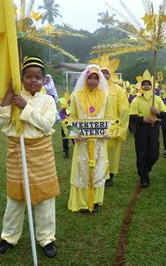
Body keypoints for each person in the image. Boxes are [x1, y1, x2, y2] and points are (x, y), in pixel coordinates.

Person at [0, 56, 59, 258]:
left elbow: (47, 124)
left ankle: (46, 238)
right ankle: (9, 237)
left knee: (45, 198)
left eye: (37, 77)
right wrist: (11, 94)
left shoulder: (48, 100)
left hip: (41, 153)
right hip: (16, 152)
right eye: (28, 76)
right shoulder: (13, 96)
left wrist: (25, 107)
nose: (32, 80)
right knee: (15, 198)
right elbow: (0, 118)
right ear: (21, 78)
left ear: (43, 80)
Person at [68, 65, 110, 214]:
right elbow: (71, 117)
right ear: (85, 79)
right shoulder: (76, 96)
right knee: (82, 168)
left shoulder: (105, 96)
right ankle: (83, 202)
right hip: (82, 141)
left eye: (96, 78)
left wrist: (108, 132)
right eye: (90, 78)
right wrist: (75, 133)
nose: (92, 81)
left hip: (99, 141)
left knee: (98, 167)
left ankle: (96, 201)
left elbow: (110, 118)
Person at [130, 70, 166, 188]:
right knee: (141, 152)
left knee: (153, 153)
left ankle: (146, 169)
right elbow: (132, 117)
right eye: (144, 84)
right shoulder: (136, 100)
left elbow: (165, 115)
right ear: (140, 86)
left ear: (152, 85)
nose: (146, 86)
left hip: (154, 128)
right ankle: (143, 176)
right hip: (141, 129)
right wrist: (144, 119)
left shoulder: (157, 99)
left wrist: (157, 112)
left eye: (148, 84)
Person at [96, 56, 130, 187]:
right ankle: (99, 173)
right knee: (98, 151)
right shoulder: (94, 87)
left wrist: (121, 129)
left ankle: (110, 175)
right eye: (102, 72)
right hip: (97, 126)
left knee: (112, 153)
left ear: (111, 74)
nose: (104, 75)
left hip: (113, 128)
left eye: (106, 72)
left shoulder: (118, 90)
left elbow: (124, 111)